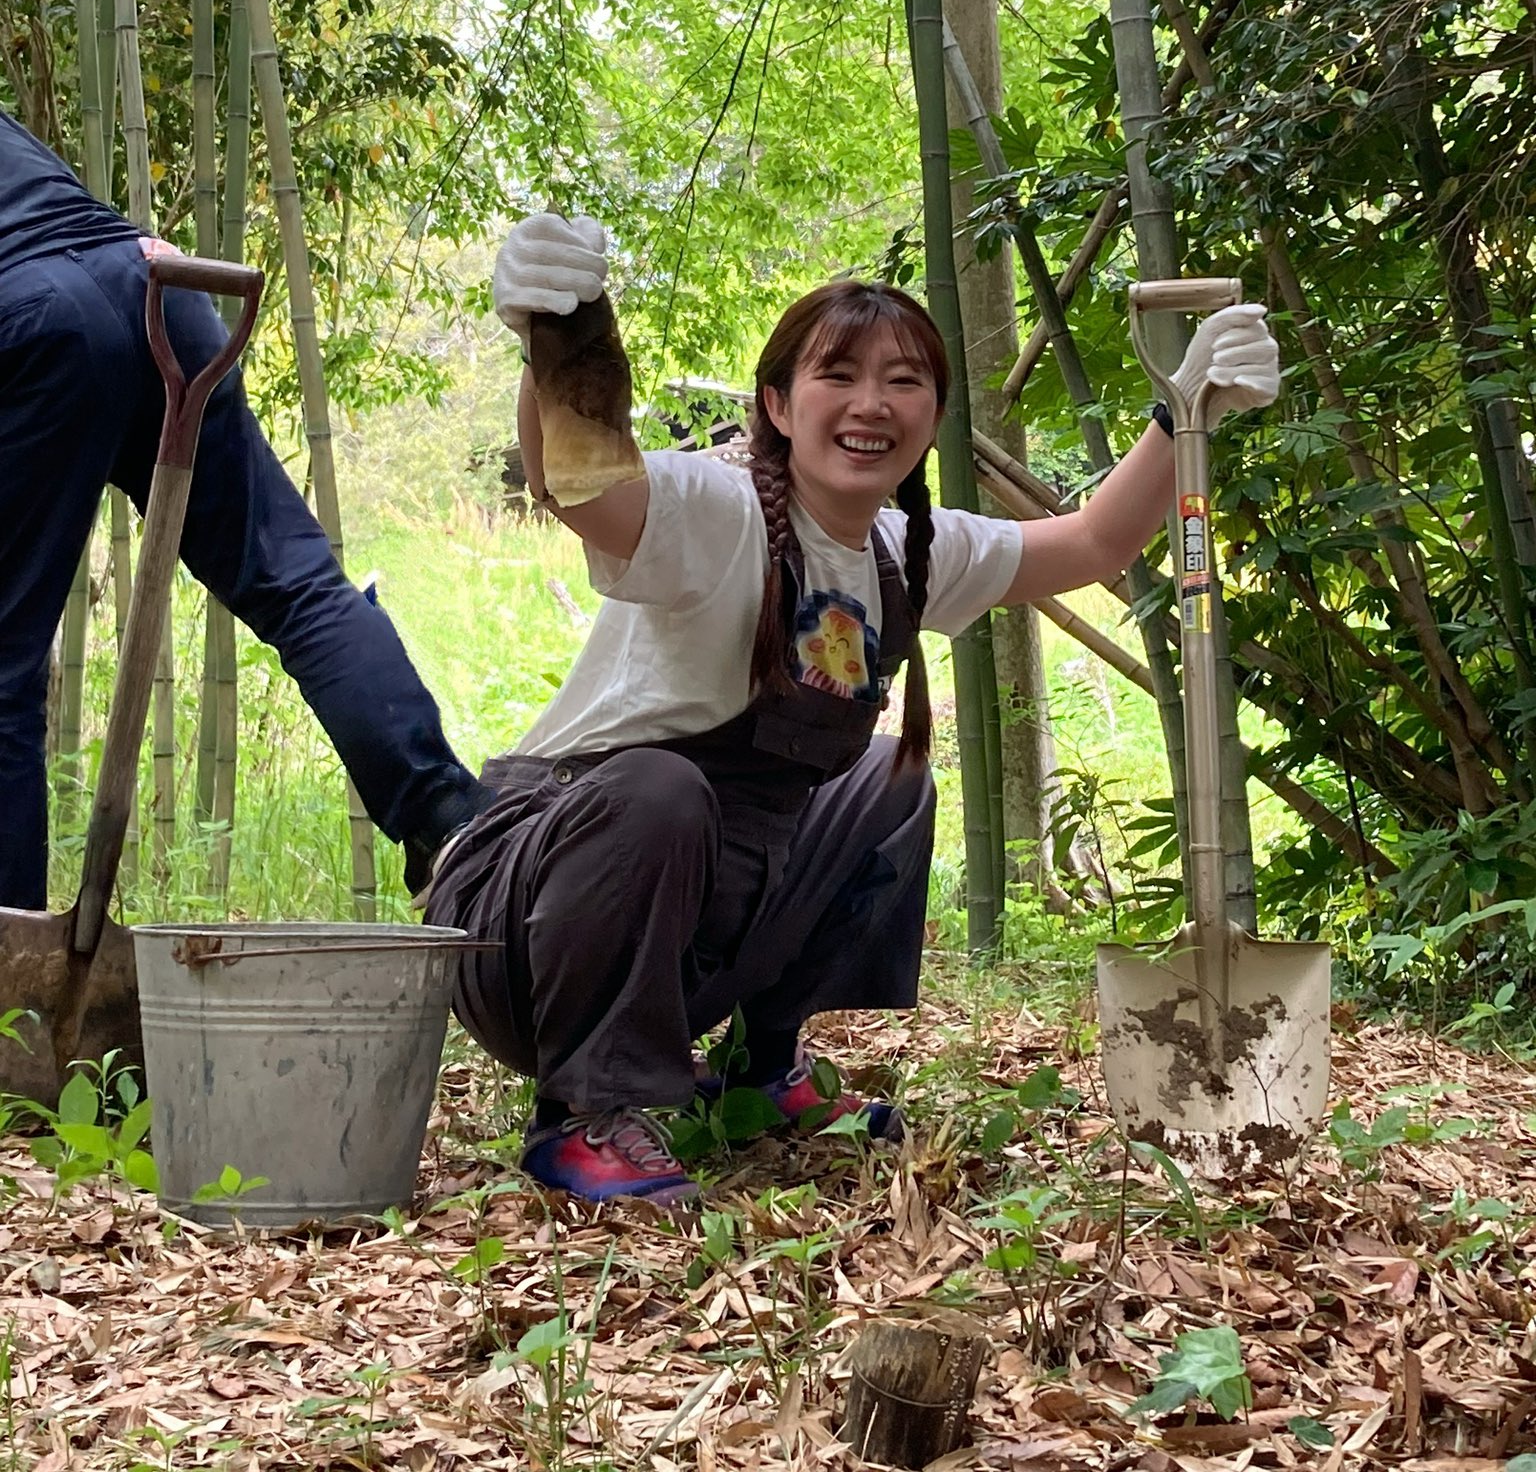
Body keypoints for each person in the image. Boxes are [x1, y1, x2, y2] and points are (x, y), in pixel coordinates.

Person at [422, 213, 1282, 1206]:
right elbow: (580, 488)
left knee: (889, 776)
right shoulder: (716, 507)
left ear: (933, 413)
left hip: (693, 930)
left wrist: (1185, 411)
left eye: (904, 380)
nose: (872, 403)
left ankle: (763, 1069)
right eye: (839, 374)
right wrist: (556, 331)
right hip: (525, 926)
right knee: (660, 785)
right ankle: (585, 1113)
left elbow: (1092, 544)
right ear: (777, 405)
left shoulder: (908, 549)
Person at [0, 109, 492, 910]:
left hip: (33, 319)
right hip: (157, 285)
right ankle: (451, 819)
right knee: (298, 585)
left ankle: (11, 970)